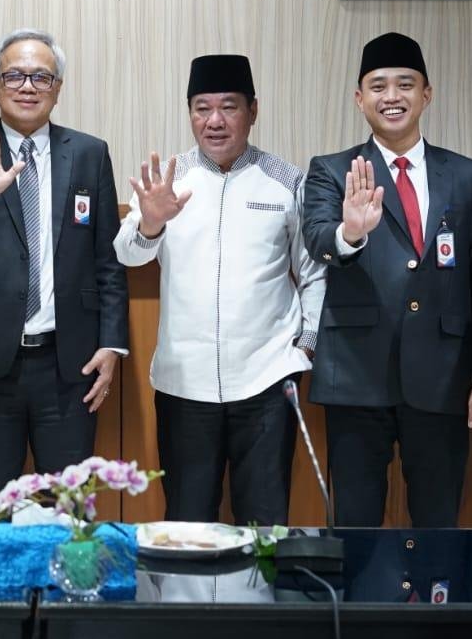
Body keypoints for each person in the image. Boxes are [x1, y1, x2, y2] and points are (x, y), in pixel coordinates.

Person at [0, 28, 129, 522]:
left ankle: (68, 600)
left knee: (70, 509)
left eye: (41, 76)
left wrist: (113, 342)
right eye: (14, 75)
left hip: (69, 364)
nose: (28, 86)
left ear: (58, 88)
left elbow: (108, 256)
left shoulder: (88, 152)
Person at [302, 33, 472, 527]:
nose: (391, 96)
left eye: (405, 84)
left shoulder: (466, 175)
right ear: (359, 98)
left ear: (426, 94)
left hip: (442, 375)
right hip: (356, 373)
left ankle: (435, 606)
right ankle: (355, 610)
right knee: (354, 522)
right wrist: (351, 232)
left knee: (438, 521)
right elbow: (317, 240)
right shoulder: (332, 170)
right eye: (378, 86)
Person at [114, 54, 324, 526]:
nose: (214, 121)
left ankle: (262, 601)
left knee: (265, 521)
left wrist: (307, 342)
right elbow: (128, 254)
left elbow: (313, 271)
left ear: (253, 110)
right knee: (188, 520)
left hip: (269, 379)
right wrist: (150, 221)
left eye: (228, 107)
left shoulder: (287, 180)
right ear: (189, 113)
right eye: (201, 107)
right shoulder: (167, 181)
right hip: (183, 383)